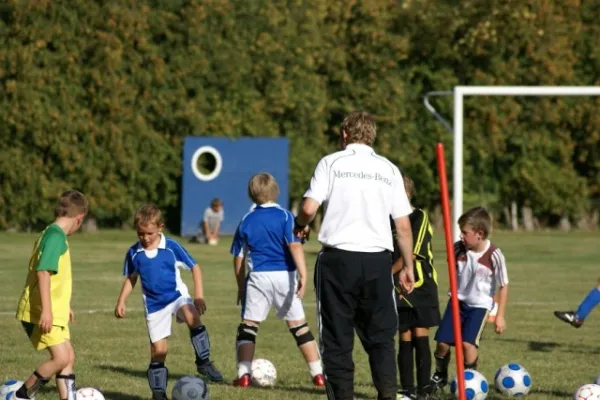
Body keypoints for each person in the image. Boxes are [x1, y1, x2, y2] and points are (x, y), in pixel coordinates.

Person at [294, 111, 416, 400]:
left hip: (338, 260)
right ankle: (387, 393)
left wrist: (300, 224)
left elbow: (309, 208)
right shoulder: (388, 169)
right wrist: (408, 266)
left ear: (345, 134)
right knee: (381, 337)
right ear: (372, 135)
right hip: (377, 261)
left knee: (337, 339)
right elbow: (402, 226)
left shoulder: (331, 162)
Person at [114, 205, 223, 400]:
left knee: (192, 316)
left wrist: (198, 296)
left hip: (176, 296)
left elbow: (195, 268)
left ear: (160, 227)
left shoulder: (171, 247)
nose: (145, 238)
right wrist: (121, 300)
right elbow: (131, 278)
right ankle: (158, 393)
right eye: (140, 233)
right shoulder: (133, 253)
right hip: (154, 306)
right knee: (159, 351)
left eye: (149, 233)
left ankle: (204, 361)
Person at [230, 173, 325, 388]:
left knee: (248, 326)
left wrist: (240, 286)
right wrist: (304, 273)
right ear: (277, 192)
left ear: (250, 194)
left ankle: (244, 375)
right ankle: (318, 374)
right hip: (285, 276)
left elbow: (238, 258)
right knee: (299, 327)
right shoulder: (286, 217)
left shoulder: (246, 220)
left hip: (258, 277)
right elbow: (295, 245)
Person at [13, 190, 89, 400]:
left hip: (55, 311)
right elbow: (43, 272)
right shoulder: (55, 237)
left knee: (69, 357)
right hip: (41, 312)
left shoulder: (52, 233)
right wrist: (47, 311)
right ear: (79, 218)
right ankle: (21, 395)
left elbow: (56, 279)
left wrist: (65, 307)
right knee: (61, 357)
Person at [430, 206, 509, 391]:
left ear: (479, 234)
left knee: (467, 344)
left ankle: (469, 379)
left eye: (465, 232)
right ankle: (440, 376)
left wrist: (500, 315)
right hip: (457, 302)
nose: (461, 236)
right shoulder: (458, 249)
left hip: (479, 306)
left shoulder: (494, 255)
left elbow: (504, 285)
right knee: (442, 343)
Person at [392, 177, 439, 400]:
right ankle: (407, 389)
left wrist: (386, 273)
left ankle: (423, 389)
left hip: (420, 284)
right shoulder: (387, 220)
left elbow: (411, 252)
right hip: (397, 284)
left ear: (406, 195)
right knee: (404, 335)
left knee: (420, 333)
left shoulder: (418, 216)